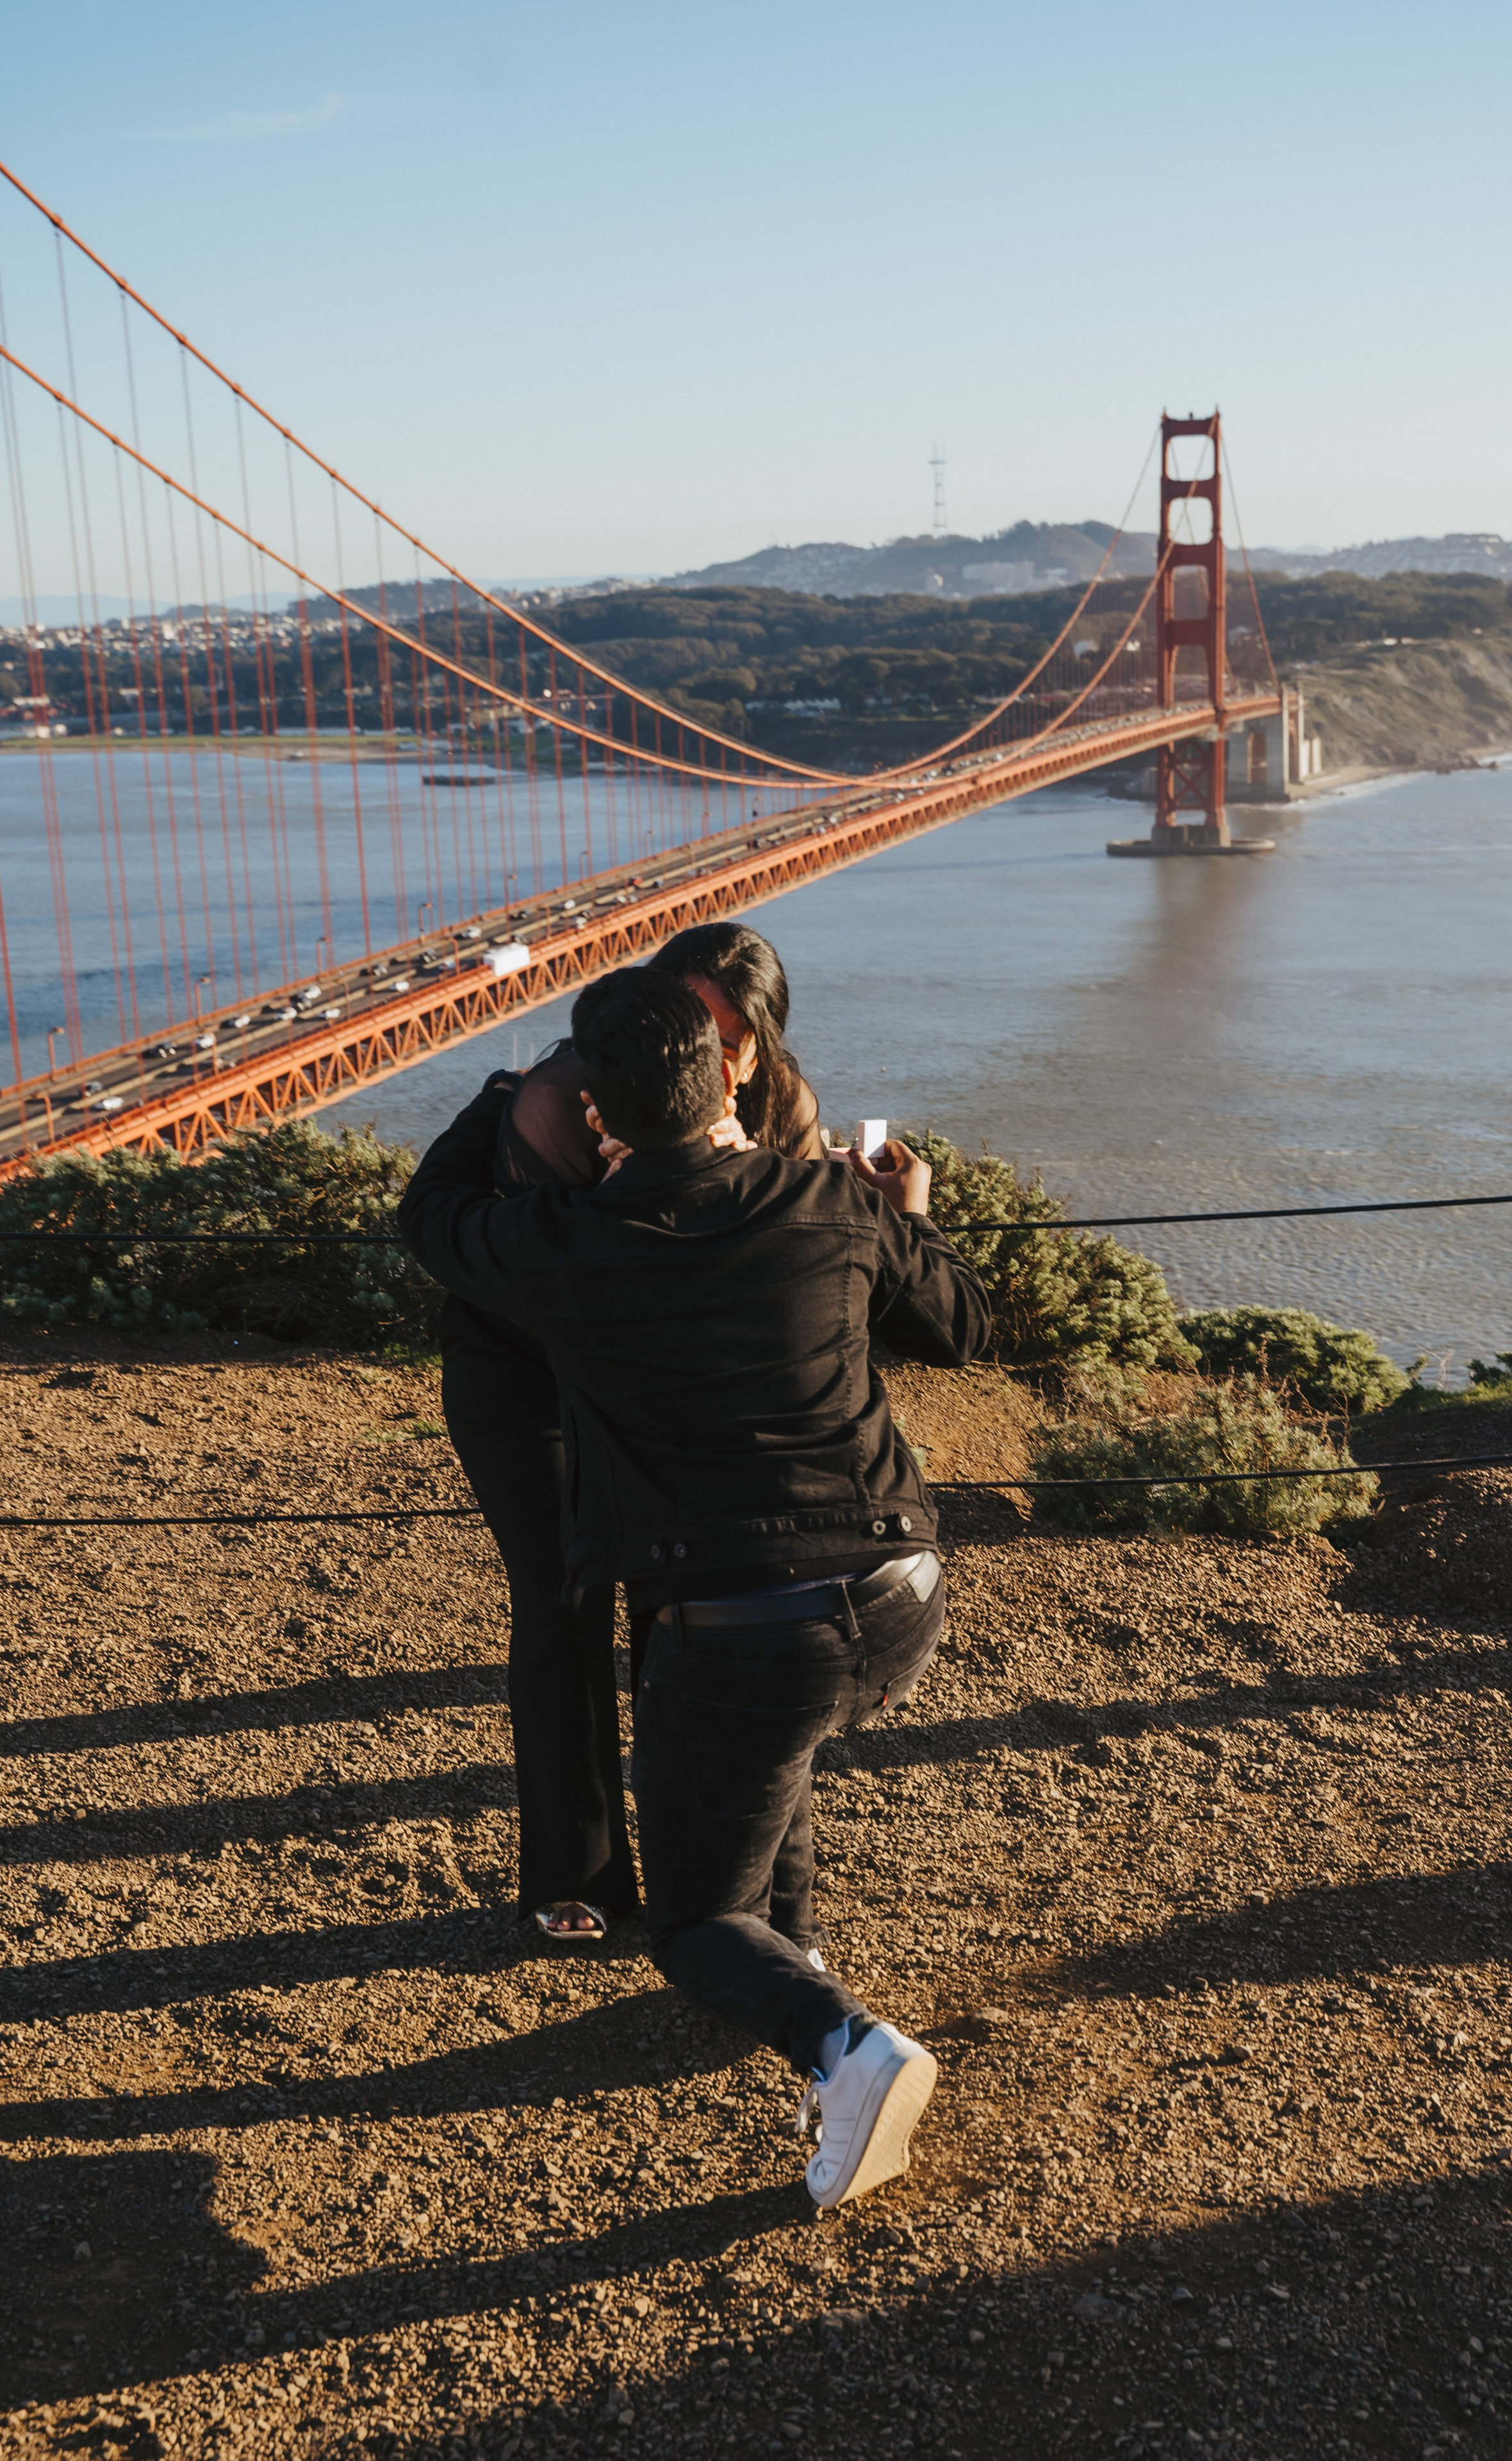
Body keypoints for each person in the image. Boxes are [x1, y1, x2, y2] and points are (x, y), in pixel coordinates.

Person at [399, 969, 992, 2207]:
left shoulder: (558, 1247)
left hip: (746, 1629)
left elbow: (431, 1215)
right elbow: (958, 1328)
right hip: (901, 1592)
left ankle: (845, 2045)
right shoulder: (833, 1196)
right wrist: (913, 1214)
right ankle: (801, 1953)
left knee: (689, 1926)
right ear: (735, 1074)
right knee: (768, 1759)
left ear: (603, 1120)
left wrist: (506, 1091)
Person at [437, 924, 823, 1943]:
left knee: (690, 1615)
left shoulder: (783, 1104)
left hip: (668, 1388)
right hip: (529, 1383)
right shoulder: (558, 1102)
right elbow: (548, 1272)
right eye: (696, 1021)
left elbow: (797, 1252)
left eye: (738, 1034)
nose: (717, 1053)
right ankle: (578, 1878)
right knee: (563, 1610)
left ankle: (718, 1887)